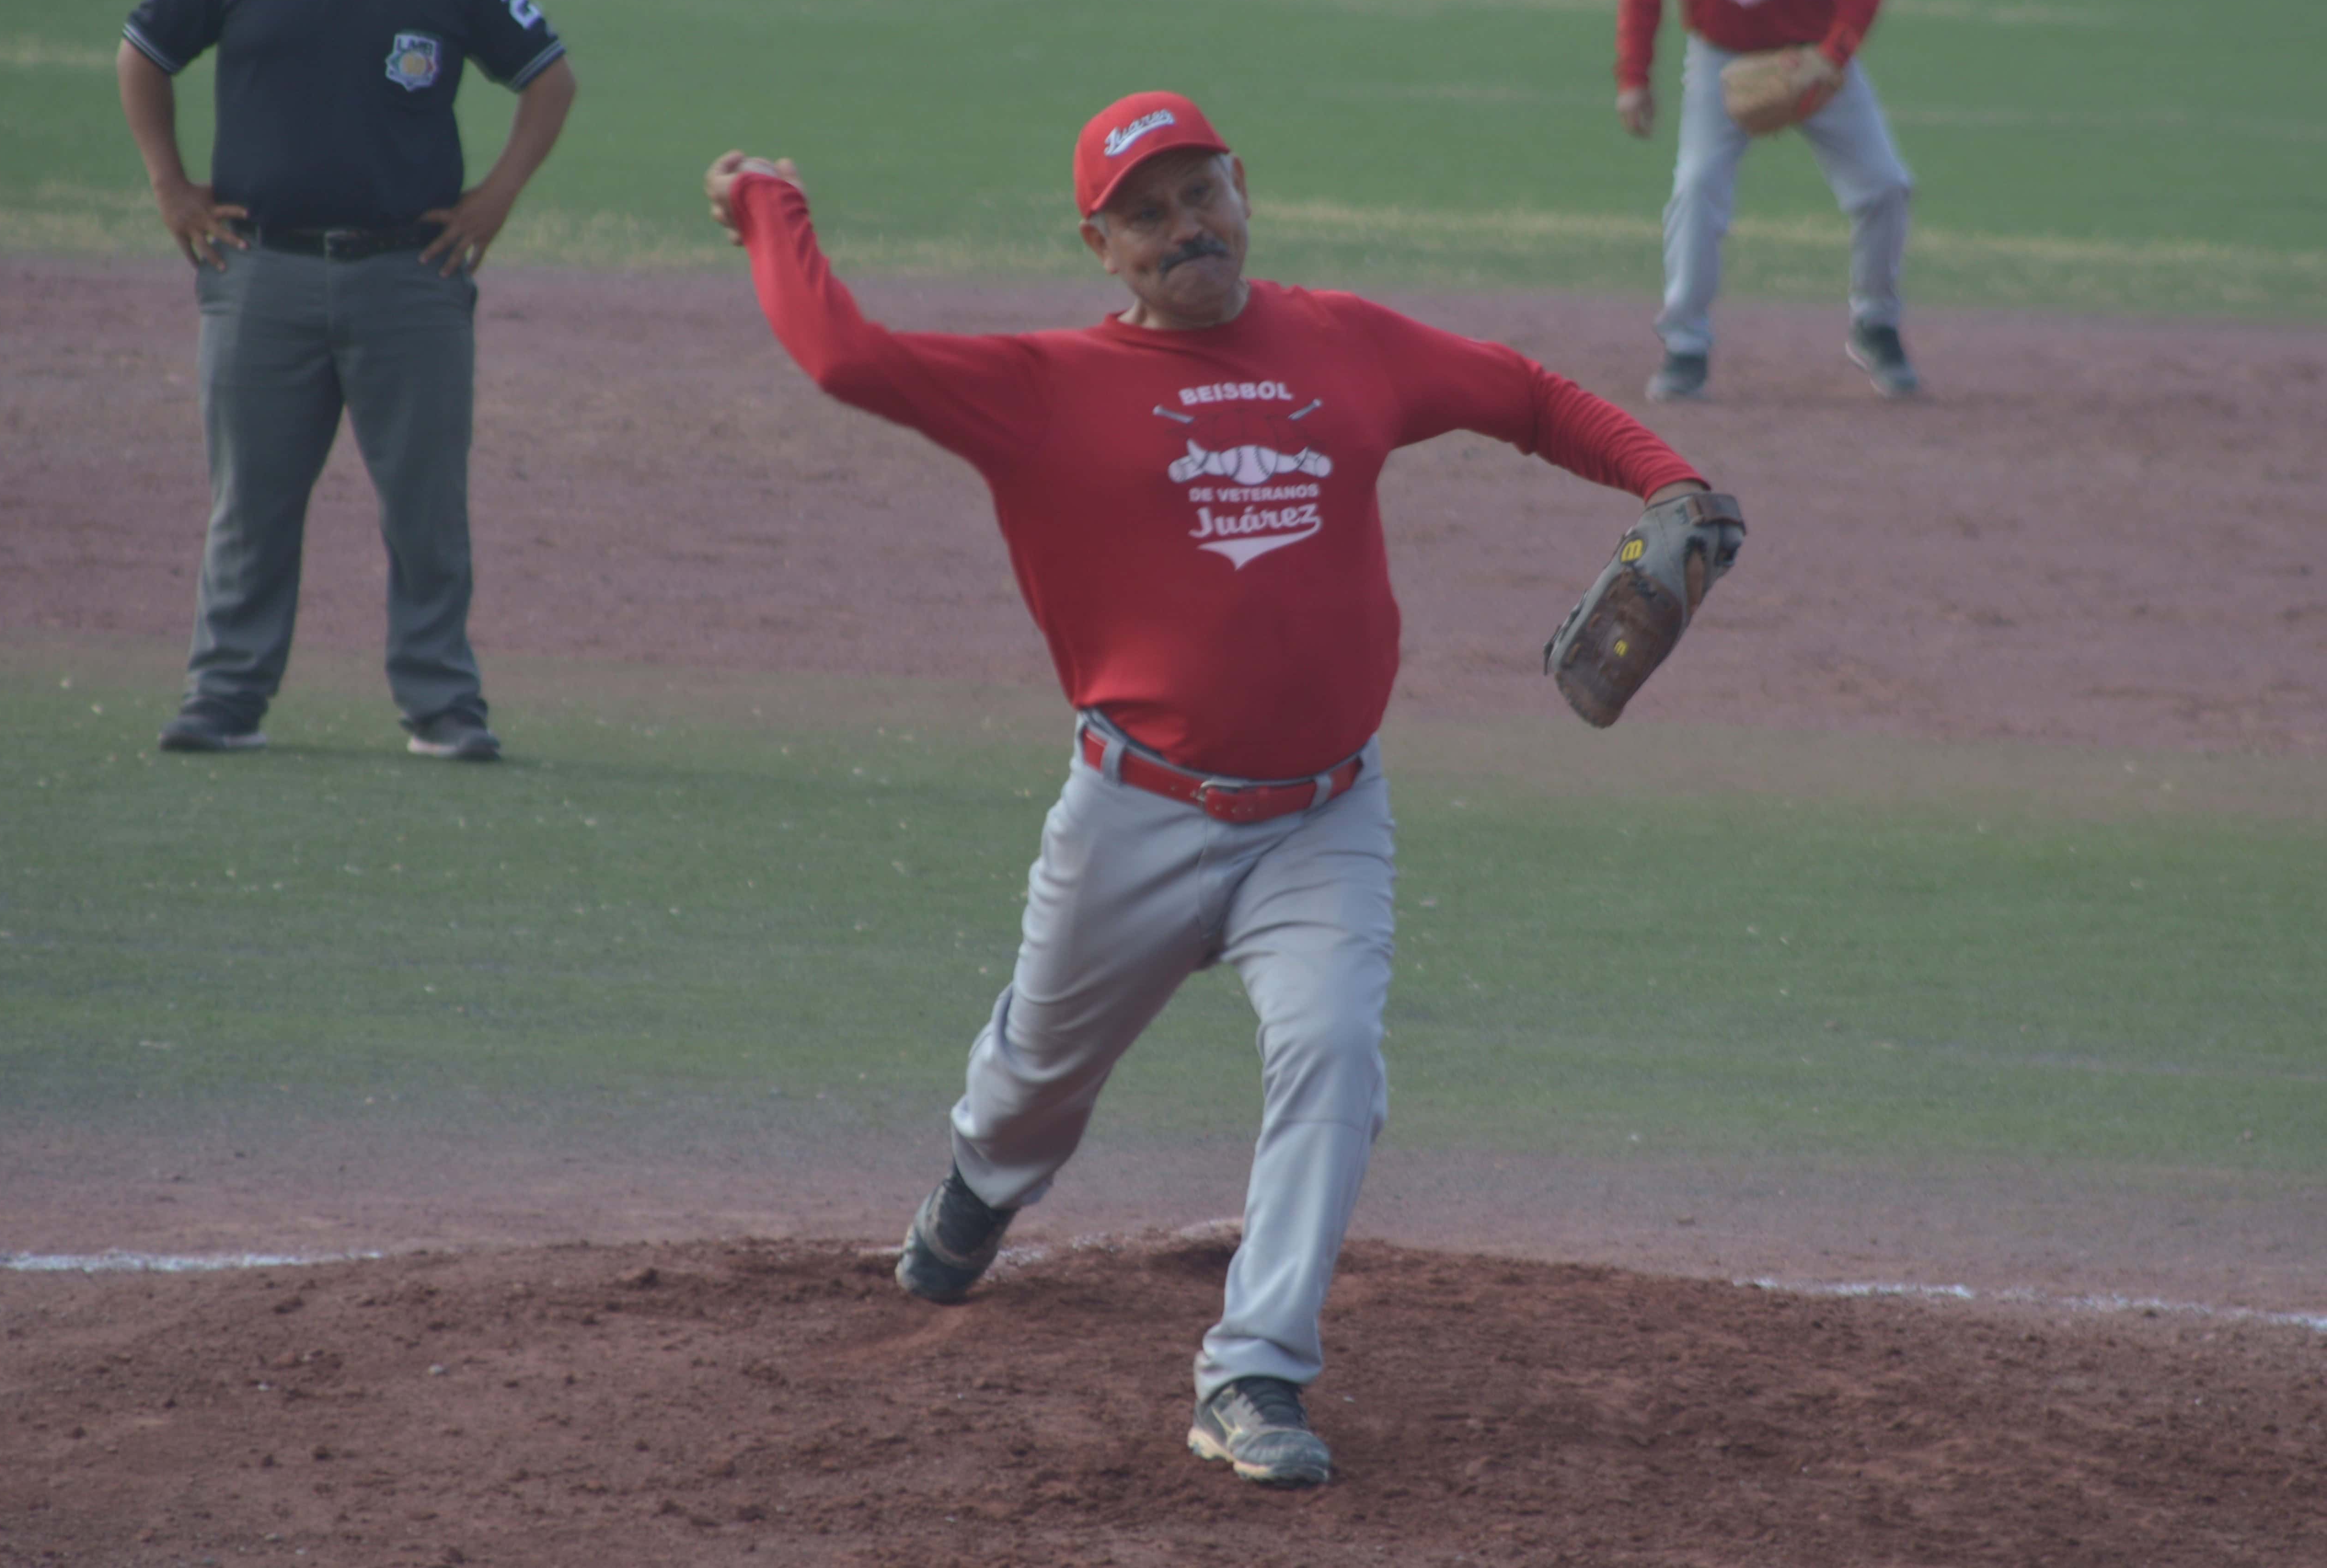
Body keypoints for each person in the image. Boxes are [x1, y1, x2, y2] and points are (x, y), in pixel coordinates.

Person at [702, 92, 1713, 1488]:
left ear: (1242, 188)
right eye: (1147, 213)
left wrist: (1672, 485)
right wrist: (770, 206)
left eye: (1200, 195)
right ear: (1100, 246)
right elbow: (840, 356)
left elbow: (1524, 395)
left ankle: (1252, 1374)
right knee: (1029, 1088)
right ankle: (982, 1188)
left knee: (1335, 1059)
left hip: (1323, 819)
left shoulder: (1342, 343)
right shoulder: (1042, 387)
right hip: (1134, 813)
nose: (1185, 228)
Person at [118, 0, 577, 759]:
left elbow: (549, 79)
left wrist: (497, 197)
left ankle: (442, 704)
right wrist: (169, 186)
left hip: (410, 273)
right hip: (260, 273)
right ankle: (224, 698)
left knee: (425, 508)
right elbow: (145, 52)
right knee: (250, 502)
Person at [1615, 0, 1918, 403]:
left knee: (1885, 186)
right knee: (1696, 187)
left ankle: (1874, 324)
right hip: (1720, 61)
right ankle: (1685, 345)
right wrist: (1633, 76)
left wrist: (1833, 54)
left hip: (1815, 59)